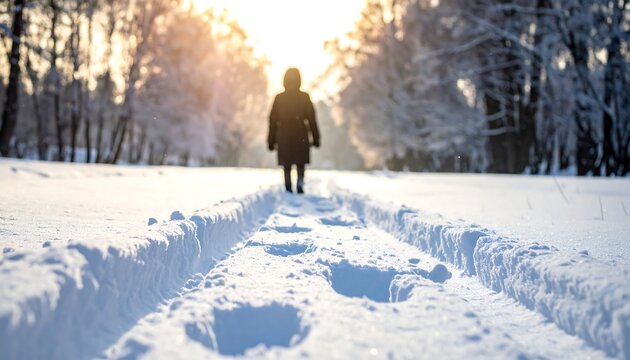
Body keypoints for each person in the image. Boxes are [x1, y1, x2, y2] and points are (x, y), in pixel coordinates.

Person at [268, 68, 320, 194]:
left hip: (284, 134)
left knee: (286, 163)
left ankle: (288, 187)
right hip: (300, 132)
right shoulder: (304, 97)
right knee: (300, 162)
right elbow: (312, 119)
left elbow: (272, 120)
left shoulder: (279, 98)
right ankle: (300, 184)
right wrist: (316, 138)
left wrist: (271, 140)